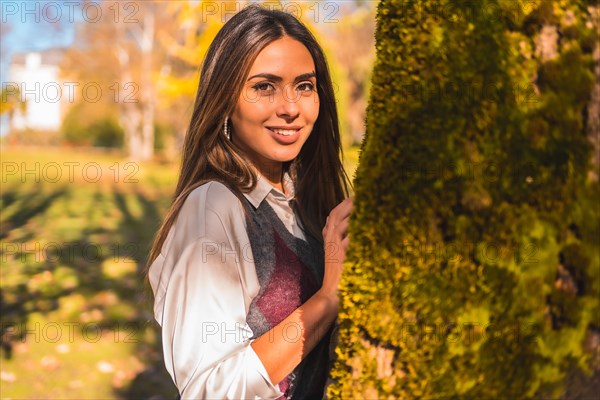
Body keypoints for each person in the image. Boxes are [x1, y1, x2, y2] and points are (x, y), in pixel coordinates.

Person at [145, 4, 354, 399]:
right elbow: (211, 388)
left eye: (304, 86)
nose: (290, 107)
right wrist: (328, 300)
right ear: (225, 101)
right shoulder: (212, 207)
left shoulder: (308, 207)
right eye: (264, 87)